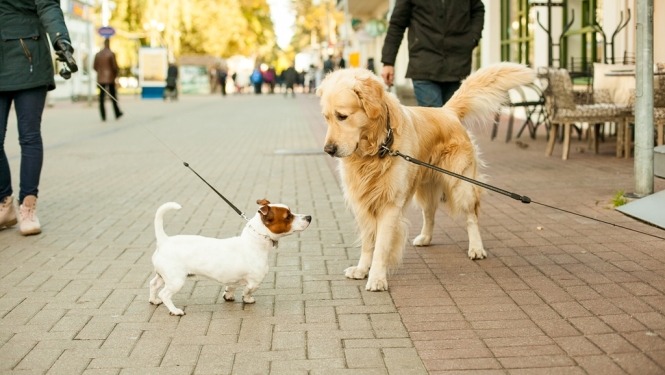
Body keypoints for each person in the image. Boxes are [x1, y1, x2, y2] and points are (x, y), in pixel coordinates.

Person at [0, 0, 76, 235]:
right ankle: (5, 202)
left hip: (29, 58)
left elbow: (48, 6)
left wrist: (60, 39)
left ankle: (28, 206)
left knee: (29, 136)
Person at [381, 0, 485, 107]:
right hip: (423, 65)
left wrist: (473, 38)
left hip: (458, 65)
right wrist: (388, 62)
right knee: (433, 118)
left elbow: (478, 10)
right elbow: (397, 25)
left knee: (455, 119)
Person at [94, 38, 123, 120]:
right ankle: (117, 113)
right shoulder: (111, 54)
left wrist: (100, 73)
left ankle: (103, 115)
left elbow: (94, 66)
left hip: (100, 79)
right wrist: (115, 75)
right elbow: (115, 67)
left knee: (101, 98)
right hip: (110, 79)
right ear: (109, 43)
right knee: (113, 97)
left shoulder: (98, 54)